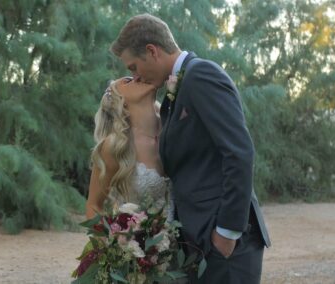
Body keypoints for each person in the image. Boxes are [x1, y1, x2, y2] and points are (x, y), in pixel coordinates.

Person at [110, 14, 271, 283]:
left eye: (134, 66)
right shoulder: (176, 91)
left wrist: (227, 232)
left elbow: (239, 152)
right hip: (198, 241)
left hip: (224, 243)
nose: (135, 75)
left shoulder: (201, 75)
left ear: (152, 51)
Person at [85, 77, 173, 221]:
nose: (138, 76)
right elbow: (93, 205)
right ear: (120, 100)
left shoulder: (173, 128)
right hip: (142, 242)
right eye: (128, 80)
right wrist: (113, 242)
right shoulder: (115, 146)